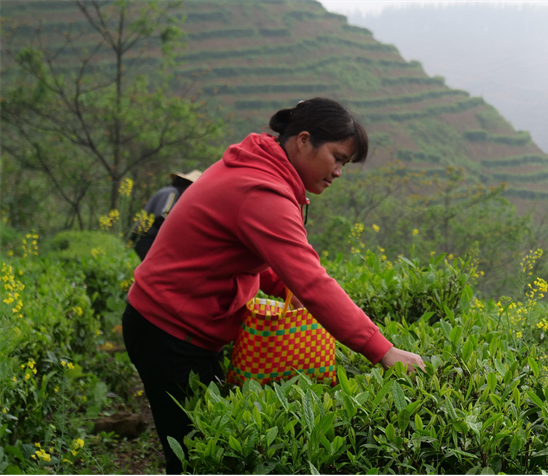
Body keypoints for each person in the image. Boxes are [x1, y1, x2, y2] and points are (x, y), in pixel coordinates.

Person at [122, 98, 425, 475]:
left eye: (345, 163)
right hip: (169, 334)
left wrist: (283, 286)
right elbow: (313, 282)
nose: (339, 172)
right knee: (195, 459)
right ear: (302, 141)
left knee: (203, 448)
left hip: (172, 327)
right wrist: (383, 351)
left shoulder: (257, 168)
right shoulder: (262, 191)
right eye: (337, 157)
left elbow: (247, 253)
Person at [131, 170, 202, 260]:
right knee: (156, 267)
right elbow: (163, 215)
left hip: (149, 238)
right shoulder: (172, 193)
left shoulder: (176, 196)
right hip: (146, 237)